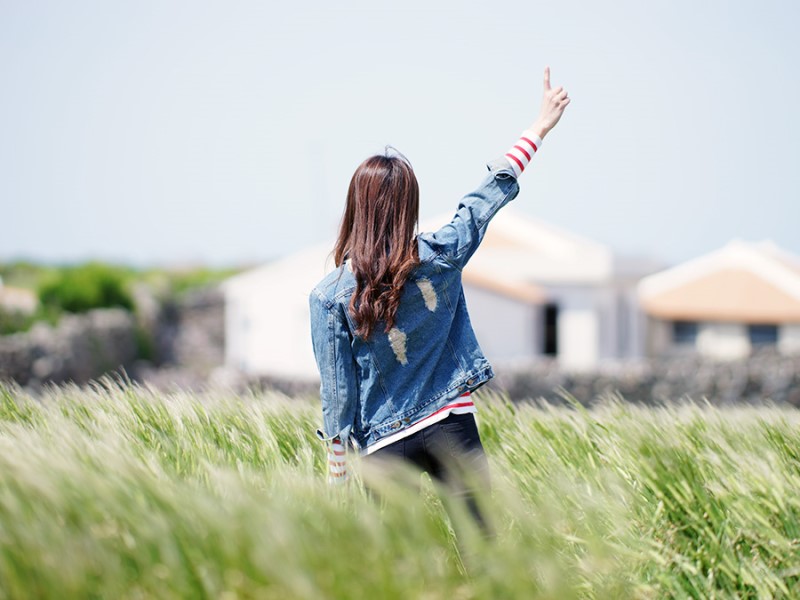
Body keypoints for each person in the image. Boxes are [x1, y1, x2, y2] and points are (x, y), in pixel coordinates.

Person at [309, 67, 570, 529]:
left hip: (385, 444)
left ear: (356, 207)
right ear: (408, 205)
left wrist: (338, 477)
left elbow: (338, 398)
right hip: (452, 425)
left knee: (391, 569)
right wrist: (539, 127)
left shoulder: (329, 297)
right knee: (484, 557)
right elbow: (486, 198)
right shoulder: (441, 254)